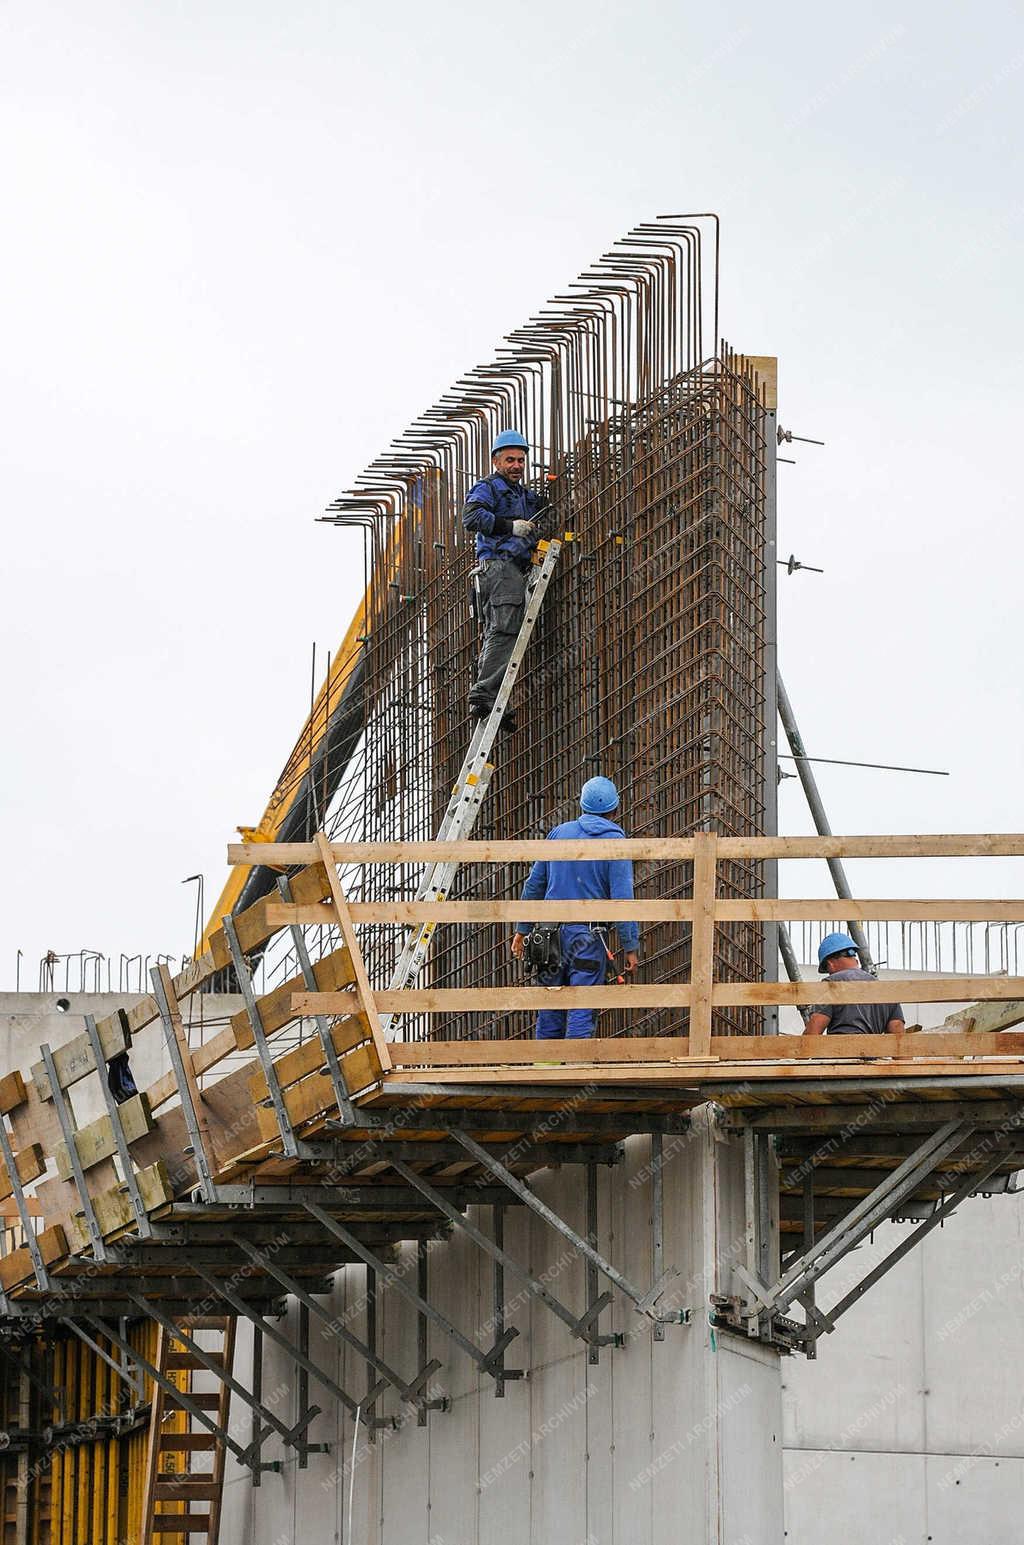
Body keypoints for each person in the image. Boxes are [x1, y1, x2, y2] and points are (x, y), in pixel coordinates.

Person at [510, 776, 640, 1040]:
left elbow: (533, 885)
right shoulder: (617, 843)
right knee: (582, 1007)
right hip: (588, 939)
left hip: (549, 938)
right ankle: (575, 1072)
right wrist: (630, 947)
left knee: (550, 1008)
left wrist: (522, 930)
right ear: (615, 810)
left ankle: (546, 1072)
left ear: (582, 805)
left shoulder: (558, 834)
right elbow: (622, 901)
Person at [463, 429, 547, 731]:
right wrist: (510, 527)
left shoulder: (522, 495)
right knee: (505, 630)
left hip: (508, 570)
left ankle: (493, 699)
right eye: (510, 460)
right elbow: (471, 518)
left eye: (521, 460)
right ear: (496, 461)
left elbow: (540, 507)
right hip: (499, 567)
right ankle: (485, 693)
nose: (516, 465)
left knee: (498, 633)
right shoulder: (489, 488)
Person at [802, 931, 905, 1037]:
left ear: (830, 964)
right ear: (854, 958)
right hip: (873, 1052)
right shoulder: (885, 990)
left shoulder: (832, 984)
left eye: (827, 969)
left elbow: (812, 1033)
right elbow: (898, 1037)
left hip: (841, 1051)